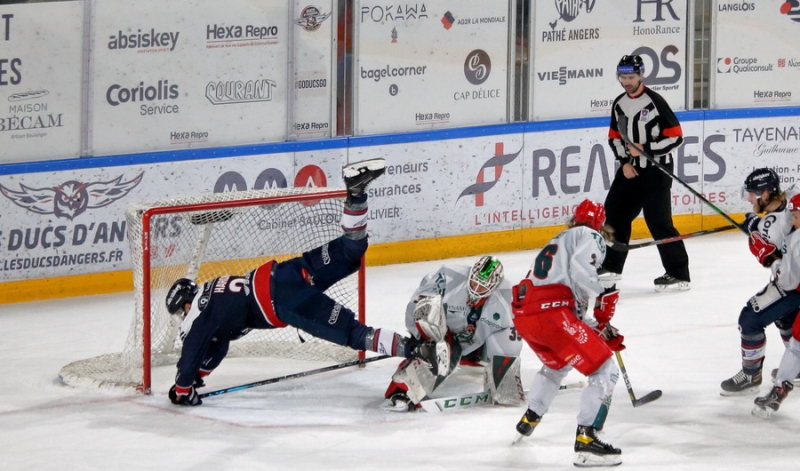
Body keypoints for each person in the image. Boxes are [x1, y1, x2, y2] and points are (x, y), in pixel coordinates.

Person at [165, 158, 445, 406]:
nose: (182, 317)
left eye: (181, 310)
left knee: (353, 333)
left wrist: (182, 388)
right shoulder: (215, 288)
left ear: (186, 301)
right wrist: (199, 378)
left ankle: (418, 350)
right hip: (289, 272)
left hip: (286, 299)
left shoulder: (199, 312)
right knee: (351, 251)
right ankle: (356, 193)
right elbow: (218, 343)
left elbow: (192, 351)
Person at [511, 199, 625, 468]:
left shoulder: (559, 239)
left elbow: (566, 295)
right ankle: (587, 440)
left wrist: (597, 327)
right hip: (552, 314)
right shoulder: (591, 235)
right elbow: (582, 270)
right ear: (600, 223)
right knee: (604, 369)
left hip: (526, 315)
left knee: (557, 365)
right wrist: (604, 292)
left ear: (574, 218)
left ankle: (531, 417)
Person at [382, 255, 523, 411]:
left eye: (483, 285)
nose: (476, 288)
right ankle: (404, 391)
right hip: (443, 335)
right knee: (441, 351)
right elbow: (417, 307)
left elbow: (527, 324)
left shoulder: (509, 295)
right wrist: (422, 335)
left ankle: (503, 384)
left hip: (476, 345)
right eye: (475, 281)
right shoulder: (448, 276)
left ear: (495, 285)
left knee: (512, 339)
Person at [598, 54, 690, 292]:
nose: (627, 81)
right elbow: (614, 137)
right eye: (623, 77)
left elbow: (676, 136)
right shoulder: (619, 103)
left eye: (631, 76)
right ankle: (611, 268)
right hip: (630, 170)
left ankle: (678, 274)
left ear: (641, 76)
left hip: (656, 171)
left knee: (659, 222)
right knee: (615, 216)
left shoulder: (655, 101)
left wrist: (644, 149)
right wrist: (624, 162)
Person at [720, 168, 800, 395]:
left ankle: (751, 375)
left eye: (753, 194)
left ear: (765, 194)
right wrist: (756, 226)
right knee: (786, 318)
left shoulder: (772, 225)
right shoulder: (795, 196)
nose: (749, 198)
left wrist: (762, 246)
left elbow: (783, 273)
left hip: (794, 283)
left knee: (750, 318)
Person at [751, 192, 800, 417]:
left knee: (797, 347)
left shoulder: (796, 240)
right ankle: (780, 388)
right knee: (797, 345)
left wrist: (770, 258)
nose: (792, 220)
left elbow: (788, 280)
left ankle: (780, 388)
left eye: (796, 215)